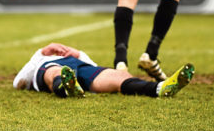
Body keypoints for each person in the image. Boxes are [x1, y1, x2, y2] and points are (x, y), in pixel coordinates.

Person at [13, 42, 194, 99]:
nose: (59, 48)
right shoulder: (39, 60)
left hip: (82, 69)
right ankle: (64, 88)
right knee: (55, 71)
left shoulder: (78, 57)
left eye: (61, 47)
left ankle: (159, 88)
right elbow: (18, 82)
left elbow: (93, 66)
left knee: (118, 77)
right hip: (51, 69)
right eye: (55, 47)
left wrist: (77, 53)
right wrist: (43, 52)